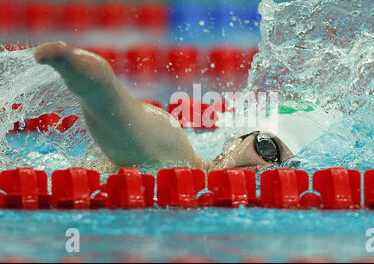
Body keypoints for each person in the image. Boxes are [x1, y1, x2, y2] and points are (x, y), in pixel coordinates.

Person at [34, 41, 336, 172]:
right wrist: (95, 84)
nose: (264, 170)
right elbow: (128, 121)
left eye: (286, 170)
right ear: (238, 137)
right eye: (268, 149)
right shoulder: (179, 159)